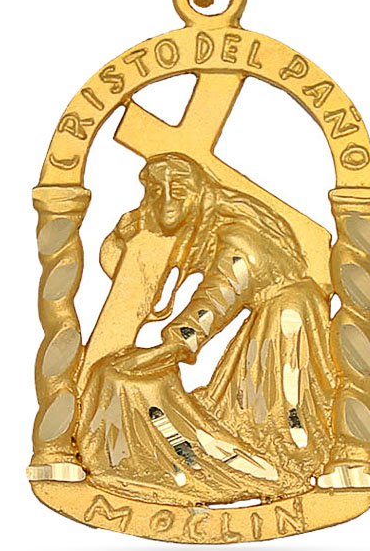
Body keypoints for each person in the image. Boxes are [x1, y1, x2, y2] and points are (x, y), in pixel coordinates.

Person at [77, 153, 337, 505]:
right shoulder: (200, 225)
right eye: (157, 192)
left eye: (178, 190)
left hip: (286, 324)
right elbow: (135, 278)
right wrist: (122, 236)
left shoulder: (237, 233)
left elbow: (219, 296)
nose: (167, 201)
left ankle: (247, 465)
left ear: (199, 192)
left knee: (278, 422)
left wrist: (174, 345)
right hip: (270, 319)